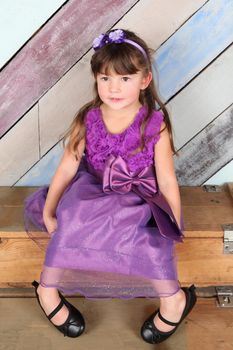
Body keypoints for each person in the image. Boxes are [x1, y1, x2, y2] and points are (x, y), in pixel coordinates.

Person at [24, 29, 196, 344]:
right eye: (105, 79)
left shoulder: (154, 124)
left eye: (124, 79)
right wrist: (49, 211)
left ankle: (173, 300)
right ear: (96, 80)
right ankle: (48, 290)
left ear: (144, 81)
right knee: (72, 217)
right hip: (94, 189)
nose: (113, 88)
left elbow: (167, 177)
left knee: (151, 238)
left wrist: (173, 218)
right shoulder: (88, 119)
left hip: (141, 195)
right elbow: (67, 167)